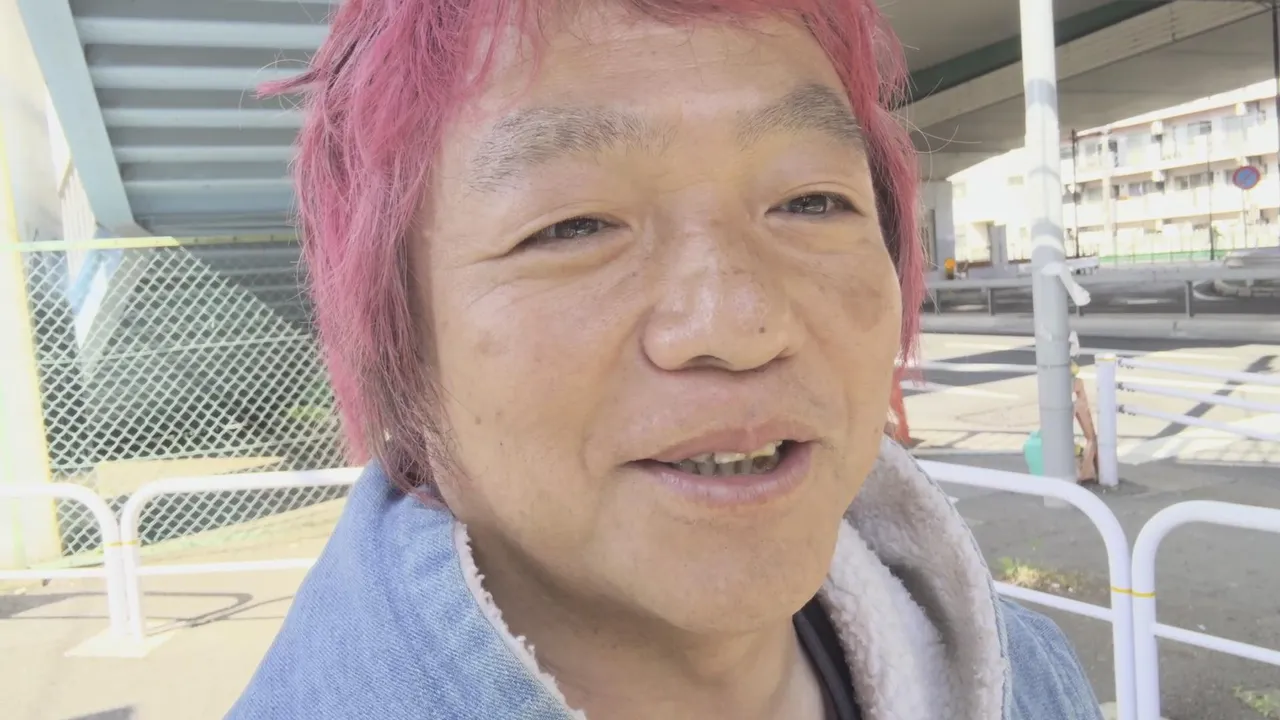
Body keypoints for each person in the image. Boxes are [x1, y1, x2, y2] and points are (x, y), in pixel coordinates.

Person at [231, 0, 1103, 718]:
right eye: (573, 226)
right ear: (399, 341)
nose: (739, 322)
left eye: (811, 201)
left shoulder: (1031, 680)